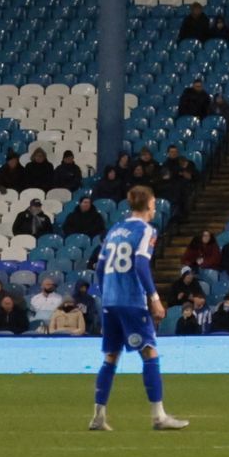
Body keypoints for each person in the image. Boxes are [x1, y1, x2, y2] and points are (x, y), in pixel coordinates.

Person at [91, 184, 187, 431]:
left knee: (111, 356)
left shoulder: (115, 229)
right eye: (154, 203)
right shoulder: (146, 230)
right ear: (149, 204)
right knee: (149, 351)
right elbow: (141, 265)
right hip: (131, 300)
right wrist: (154, 298)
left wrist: (106, 294)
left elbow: (100, 269)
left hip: (110, 301)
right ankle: (159, 416)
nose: (155, 208)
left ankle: (98, 416)